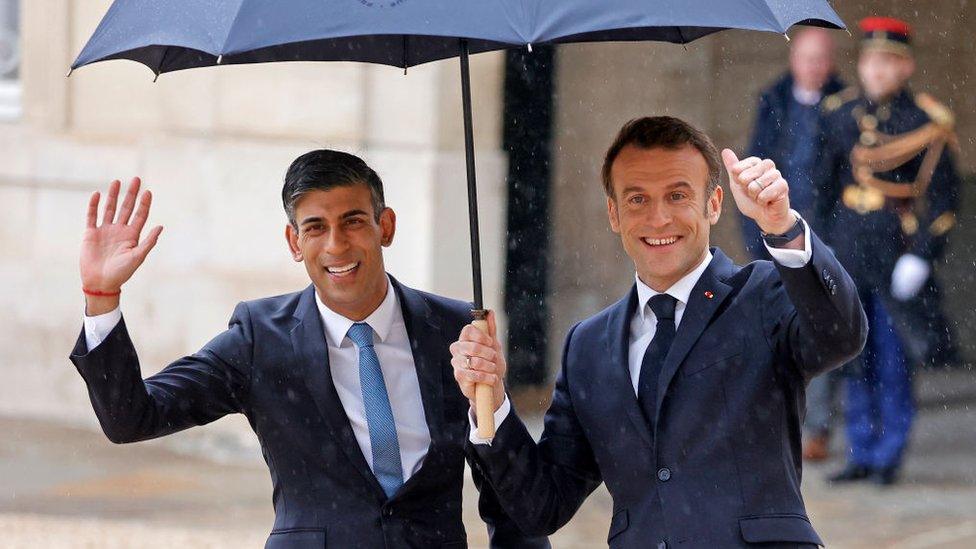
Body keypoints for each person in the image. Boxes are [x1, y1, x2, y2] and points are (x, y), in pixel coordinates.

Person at [69, 150, 548, 548]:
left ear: (386, 226)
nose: (336, 245)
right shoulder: (260, 338)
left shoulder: (455, 329)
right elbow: (132, 418)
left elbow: (514, 502)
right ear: (294, 242)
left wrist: (496, 402)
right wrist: (102, 298)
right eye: (316, 227)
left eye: (353, 221)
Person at [452, 116, 867, 547]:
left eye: (677, 195)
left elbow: (841, 335)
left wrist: (783, 228)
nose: (659, 218)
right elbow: (542, 506)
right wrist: (493, 401)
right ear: (613, 213)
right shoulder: (588, 347)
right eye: (637, 199)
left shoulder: (763, 294)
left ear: (714, 203)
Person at [815, 17, 962, 486]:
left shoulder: (924, 121)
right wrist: (814, 248)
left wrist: (921, 255)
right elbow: (821, 188)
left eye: (888, 62)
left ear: (906, 67)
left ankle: (888, 454)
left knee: (892, 357)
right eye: (870, 61)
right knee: (853, 357)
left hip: (895, 251)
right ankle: (860, 451)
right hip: (846, 249)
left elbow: (942, 199)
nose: (876, 71)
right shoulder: (839, 113)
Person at [741, 27, 846, 462]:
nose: (814, 67)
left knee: (821, 328)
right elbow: (754, 162)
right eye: (807, 57)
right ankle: (775, 423)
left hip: (825, 235)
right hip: (776, 230)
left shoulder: (845, 103)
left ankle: (816, 428)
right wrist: (757, 235)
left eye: (822, 58)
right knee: (773, 328)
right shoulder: (774, 100)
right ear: (793, 60)